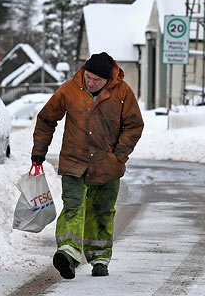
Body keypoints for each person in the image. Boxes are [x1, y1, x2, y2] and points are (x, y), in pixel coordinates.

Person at [31, 52, 144, 279]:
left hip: (107, 166)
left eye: (96, 80)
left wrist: (118, 156)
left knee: (101, 211)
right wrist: (39, 151)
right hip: (74, 161)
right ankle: (68, 253)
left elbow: (134, 126)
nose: (90, 82)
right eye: (88, 77)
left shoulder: (122, 93)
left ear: (108, 80)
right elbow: (46, 119)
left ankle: (100, 258)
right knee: (73, 206)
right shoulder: (70, 89)